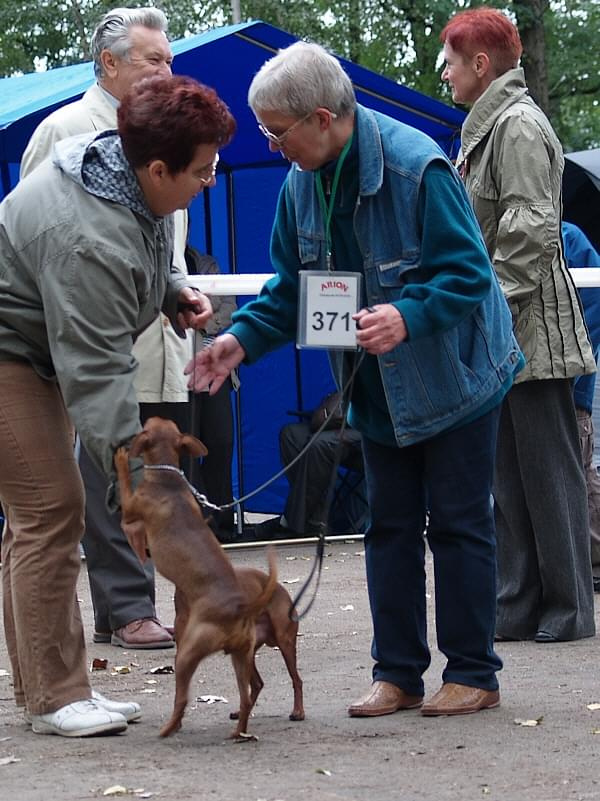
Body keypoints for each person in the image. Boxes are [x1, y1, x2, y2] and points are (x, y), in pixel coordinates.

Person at [186, 41, 524, 718]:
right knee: (387, 526)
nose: (271, 146)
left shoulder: (414, 167)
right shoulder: (298, 186)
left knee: (459, 526)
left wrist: (408, 313)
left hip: (455, 377)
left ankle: (474, 673)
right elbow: (291, 292)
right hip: (375, 389)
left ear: (320, 118)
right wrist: (237, 341)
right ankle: (397, 673)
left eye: (276, 132)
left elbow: (469, 274)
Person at [0, 73, 234, 736]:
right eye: (203, 170)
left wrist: (170, 291)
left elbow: (147, 245)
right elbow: (99, 373)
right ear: (158, 168)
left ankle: (51, 688)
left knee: (34, 516)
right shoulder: (86, 238)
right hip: (11, 354)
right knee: (51, 509)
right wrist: (142, 488)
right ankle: (54, 697)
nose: (210, 180)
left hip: (38, 347)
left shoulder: (129, 178)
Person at [20, 7, 191, 649]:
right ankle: (126, 608)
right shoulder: (63, 130)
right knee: (97, 470)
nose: (166, 71)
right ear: (110, 63)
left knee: (154, 460)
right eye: (153, 60)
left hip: (150, 331)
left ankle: (142, 602)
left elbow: (165, 238)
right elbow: (42, 239)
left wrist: (175, 288)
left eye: (171, 60)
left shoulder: (166, 134)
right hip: (78, 337)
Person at [440, 7, 596, 643]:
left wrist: (486, 307)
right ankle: (518, 604)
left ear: (481, 65)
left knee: (549, 478)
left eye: (451, 61)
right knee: (507, 477)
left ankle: (567, 609)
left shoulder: (519, 126)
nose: (442, 72)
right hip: (504, 333)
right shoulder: (492, 125)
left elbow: (529, 228)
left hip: (530, 333)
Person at [253, 392, 365, 539]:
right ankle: (313, 520)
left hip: (374, 431)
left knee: (319, 444)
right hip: (350, 417)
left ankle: (290, 522)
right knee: (292, 435)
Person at [184, 244, 238, 541]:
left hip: (216, 370)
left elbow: (229, 310)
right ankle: (200, 524)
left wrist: (200, 324)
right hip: (180, 374)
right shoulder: (162, 263)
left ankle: (222, 520)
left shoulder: (207, 264)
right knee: (188, 448)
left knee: (221, 442)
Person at [562, 221, 600, 592]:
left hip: (573, 385)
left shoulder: (570, 238)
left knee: (580, 471)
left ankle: (593, 559)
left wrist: (571, 351)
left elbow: (595, 303)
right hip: (565, 380)